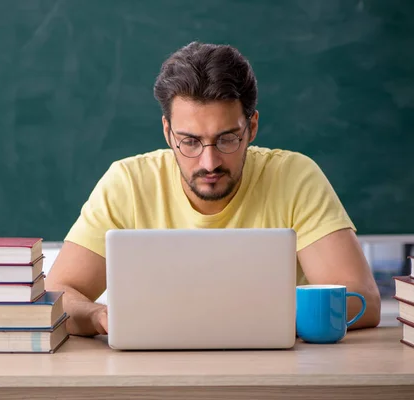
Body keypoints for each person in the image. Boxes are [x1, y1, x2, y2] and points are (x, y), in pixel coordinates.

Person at [45, 42, 381, 337]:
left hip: (279, 372)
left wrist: (237, 322)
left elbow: (360, 300)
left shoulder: (295, 177)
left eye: (226, 139)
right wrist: (98, 315)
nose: (209, 162)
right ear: (167, 132)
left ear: (251, 127)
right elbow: (58, 293)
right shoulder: (127, 183)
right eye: (189, 141)